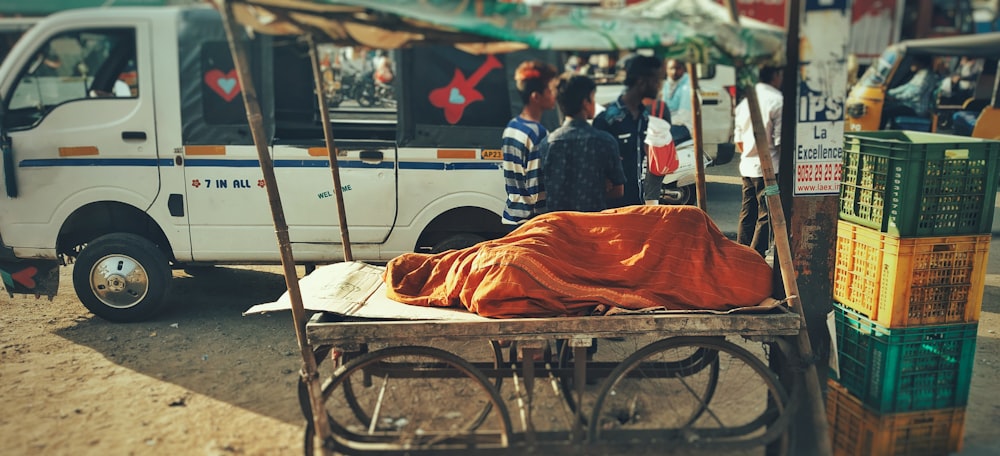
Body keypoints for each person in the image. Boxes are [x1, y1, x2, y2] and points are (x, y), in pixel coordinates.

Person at [538, 74, 626, 213]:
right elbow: (618, 191)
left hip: (560, 226)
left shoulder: (547, 143)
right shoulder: (605, 141)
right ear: (585, 102)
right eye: (593, 98)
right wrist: (600, 188)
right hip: (591, 225)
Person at [593, 54, 665, 208]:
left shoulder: (644, 116)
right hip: (612, 210)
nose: (659, 85)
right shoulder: (607, 119)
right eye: (656, 80)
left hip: (636, 204)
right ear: (641, 81)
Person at [500, 60, 559, 229]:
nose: (552, 95)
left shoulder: (512, 126)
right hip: (531, 224)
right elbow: (536, 190)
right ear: (536, 97)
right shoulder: (538, 133)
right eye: (549, 90)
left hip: (512, 218)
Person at [734, 65, 783, 258]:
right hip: (770, 169)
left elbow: (739, 141)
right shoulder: (778, 101)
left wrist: (750, 153)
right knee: (766, 215)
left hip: (747, 167)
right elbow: (779, 143)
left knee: (748, 213)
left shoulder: (744, 103)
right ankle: (754, 258)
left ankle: (740, 255)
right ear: (776, 75)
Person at [882, 55, 939, 128]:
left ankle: (879, 131)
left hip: (916, 109)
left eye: (913, 62)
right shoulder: (920, 74)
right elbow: (906, 87)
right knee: (886, 106)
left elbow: (915, 92)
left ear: (921, 63)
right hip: (909, 105)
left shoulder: (925, 76)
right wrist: (888, 92)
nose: (911, 64)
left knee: (885, 111)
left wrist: (896, 98)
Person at [660, 59, 693, 138]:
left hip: (684, 126)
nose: (674, 72)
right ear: (666, 70)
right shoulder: (667, 85)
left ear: (683, 69)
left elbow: (683, 117)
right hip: (668, 124)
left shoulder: (687, 86)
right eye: (671, 69)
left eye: (677, 68)